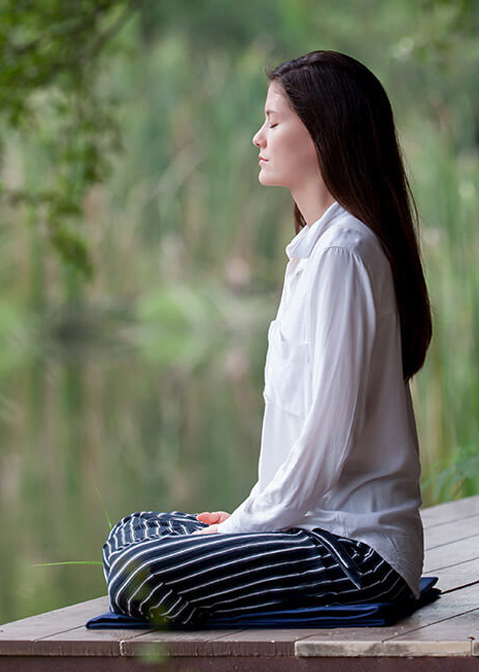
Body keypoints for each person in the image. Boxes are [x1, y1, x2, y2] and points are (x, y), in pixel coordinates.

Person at [101, 50, 433, 627]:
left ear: (325, 133)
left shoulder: (344, 254)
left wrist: (242, 528)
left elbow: (325, 444)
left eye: (274, 122)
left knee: (140, 567)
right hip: (307, 532)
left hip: (356, 554)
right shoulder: (311, 252)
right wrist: (245, 520)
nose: (258, 136)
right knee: (131, 530)